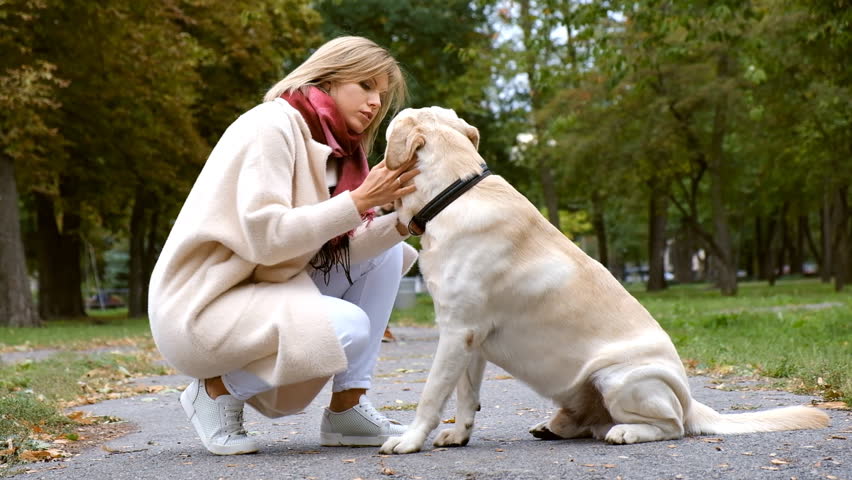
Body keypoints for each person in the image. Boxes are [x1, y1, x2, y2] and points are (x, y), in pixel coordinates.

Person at [148, 36, 420, 456]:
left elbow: (330, 254)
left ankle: (349, 407)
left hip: (263, 286)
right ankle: (216, 391)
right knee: (347, 325)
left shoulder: (339, 152)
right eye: (365, 85)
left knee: (387, 252)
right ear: (327, 79)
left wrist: (405, 222)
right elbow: (267, 238)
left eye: (380, 95)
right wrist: (360, 201)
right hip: (206, 301)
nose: (373, 103)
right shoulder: (270, 126)